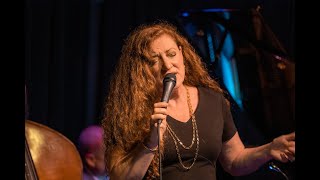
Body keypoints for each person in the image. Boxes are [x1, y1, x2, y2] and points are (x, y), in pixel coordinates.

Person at [101, 21, 295, 180]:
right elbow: (120, 177)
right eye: (154, 60)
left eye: (171, 54)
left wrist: (269, 149)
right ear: (141, 70)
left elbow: (234, 161)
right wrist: (149, 145)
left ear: (181, 53)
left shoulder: (213, 101)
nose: (167, 65)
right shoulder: (132, 112)